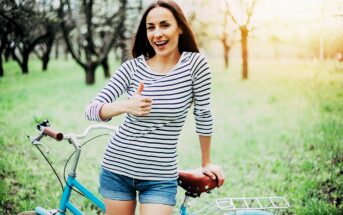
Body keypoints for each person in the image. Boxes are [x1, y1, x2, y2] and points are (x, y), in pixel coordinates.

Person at [85, 0, 224, 214]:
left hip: (160, 176)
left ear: (179, 28)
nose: (157, 33)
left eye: (164, 25)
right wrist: (125, 106)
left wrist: (206, 162)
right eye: (151, 27)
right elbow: (92, 109)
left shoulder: (195, 65)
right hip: (117, 168)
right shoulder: (132, 68)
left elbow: (203, 114)